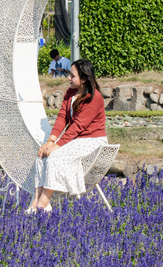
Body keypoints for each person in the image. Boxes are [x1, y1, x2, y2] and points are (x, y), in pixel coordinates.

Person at [29, 58, 107, 213]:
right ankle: (35, 200)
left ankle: (44, 202)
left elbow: (78, 126)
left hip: (92, 140)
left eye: (72, 75)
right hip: (76, 139)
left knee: (55, 156)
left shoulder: (94, 97)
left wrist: (57, 145)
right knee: (42, 154)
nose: (68, 78)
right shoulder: (70, 93)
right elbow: (62, 118)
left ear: (84, 79)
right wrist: (50, 141)